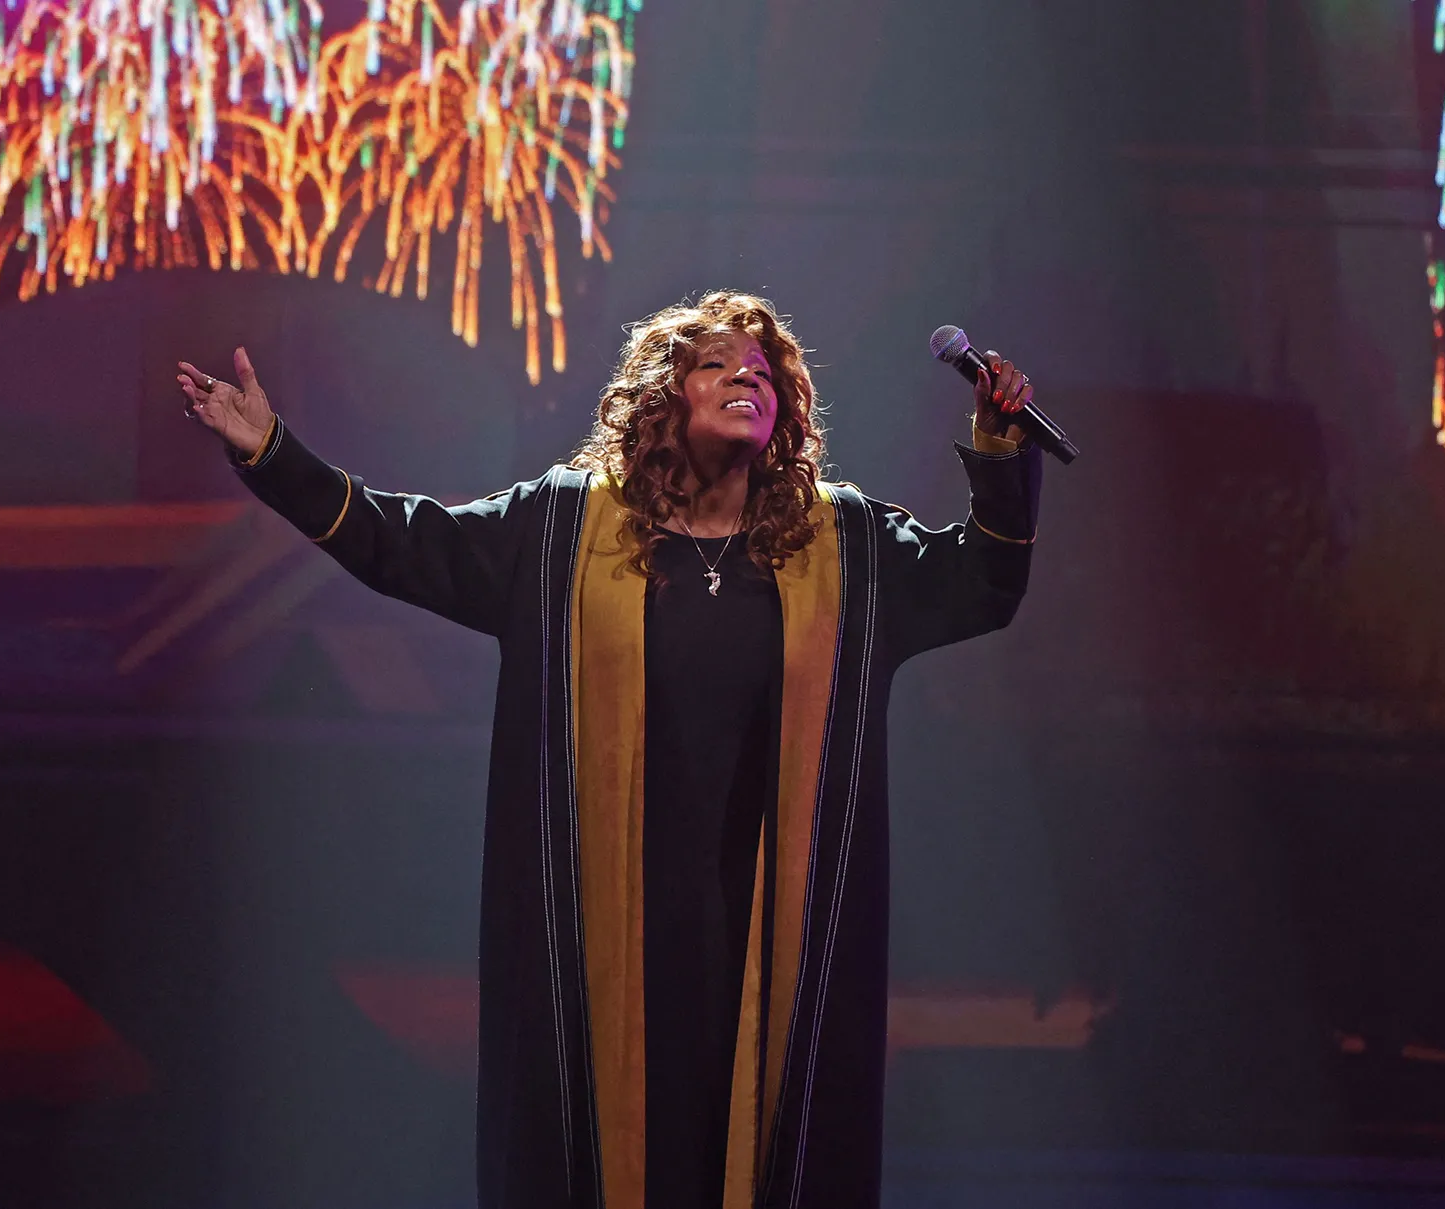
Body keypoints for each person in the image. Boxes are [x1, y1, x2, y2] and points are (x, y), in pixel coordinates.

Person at [177, 291, 1040, 1209]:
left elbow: (982, 583)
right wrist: (274, 454)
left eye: (763, 373)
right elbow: (404, 541)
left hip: (770, 934)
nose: (747, 377)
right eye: (717, 364)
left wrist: (999, 450)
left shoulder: (846, 545)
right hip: (605, 932)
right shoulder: (562, 532)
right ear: (662, 396)